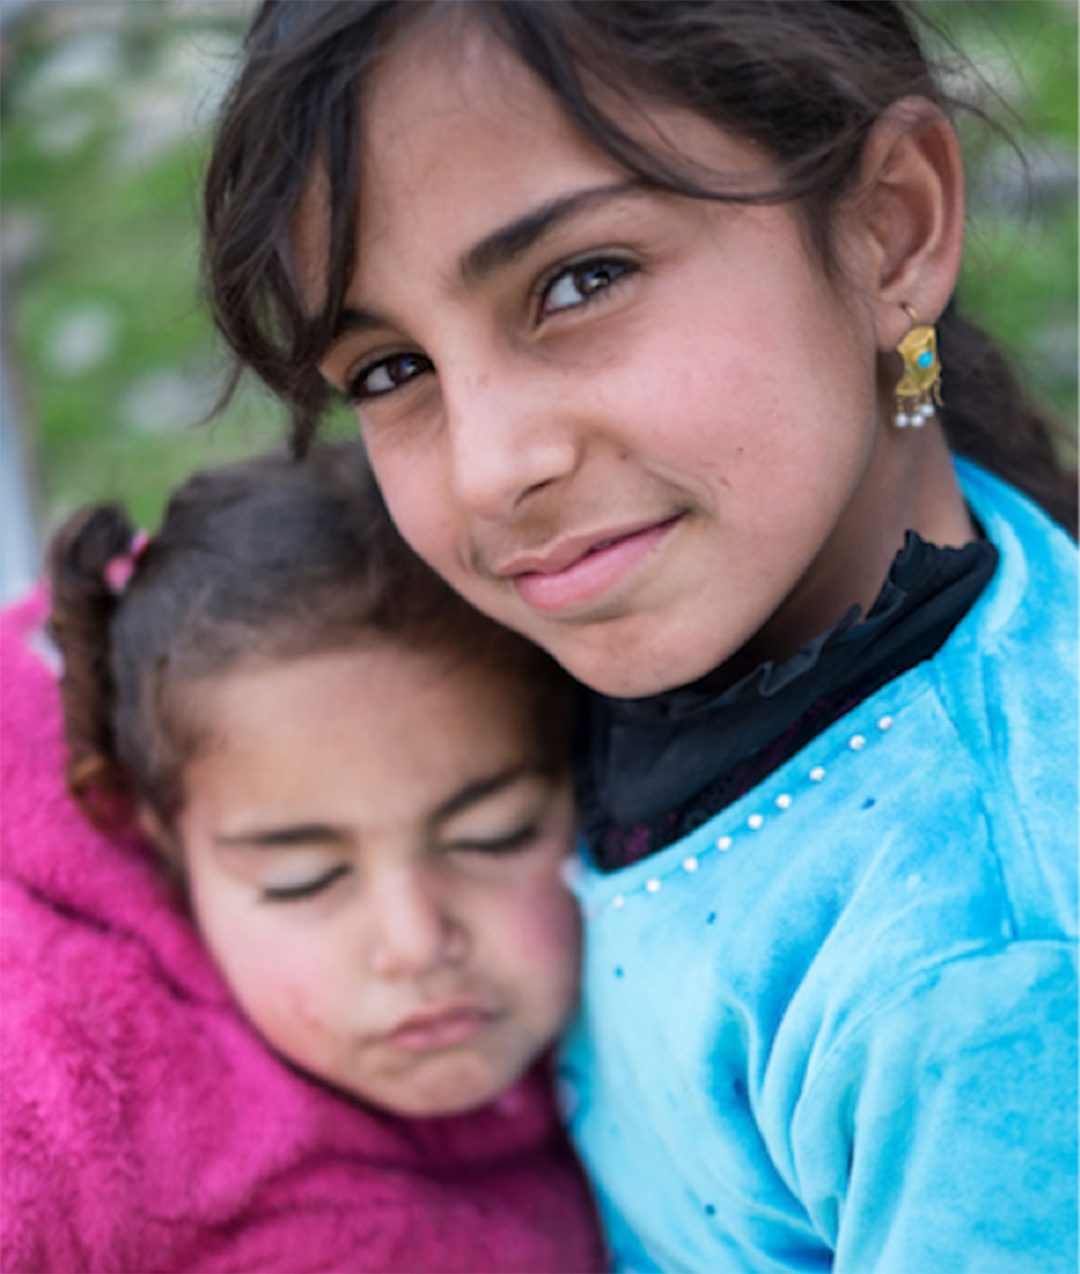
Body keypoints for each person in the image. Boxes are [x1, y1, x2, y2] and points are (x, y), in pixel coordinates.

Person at [200, 3, 1078, 1269]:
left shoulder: (984, 982)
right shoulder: (652, 598)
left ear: (890, 227)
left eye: (580, 281)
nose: (491, 469)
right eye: (391, 370)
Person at [0, 441, 604, 1272]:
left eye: (491, 837)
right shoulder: (60, 1073)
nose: (416, 944)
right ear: (166, 847)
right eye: (303, 880)